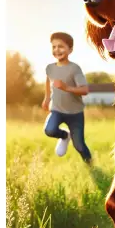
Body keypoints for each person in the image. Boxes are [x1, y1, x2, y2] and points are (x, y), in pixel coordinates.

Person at [41, 32, 92, 163]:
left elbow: (85, 90)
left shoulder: (75, 69)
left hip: (75, 113)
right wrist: (47, 98)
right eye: (54, 47)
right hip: (57, 110)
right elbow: (48, 81)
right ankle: (65, 136)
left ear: (70, 49)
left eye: (61, 46)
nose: (57, 50)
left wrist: (66, 88)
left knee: (79, 145)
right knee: (49, 130)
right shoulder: (49, 68)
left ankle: (90, 165)